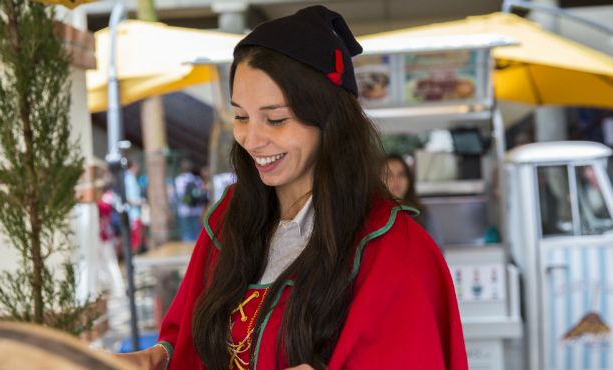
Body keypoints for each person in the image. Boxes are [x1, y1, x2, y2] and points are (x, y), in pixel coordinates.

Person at [118, 6, 466, 370]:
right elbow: (188, 334)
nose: (252, 138)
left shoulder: (393, 248)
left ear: (329, 119)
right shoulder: (230, 218)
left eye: (276, 119)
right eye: (240, 116)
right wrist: (157, 358)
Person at [383, 153, 427, 227]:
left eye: (401, 174)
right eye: (389, 175)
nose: (395, 180)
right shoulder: (372, 215)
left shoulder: (423, 214)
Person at [173, 159, 206, 241]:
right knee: (196, 232)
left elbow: (178, 195)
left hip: (184, 211)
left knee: (186, 233)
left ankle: (187, 251)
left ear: (181, 169)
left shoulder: (178, 180)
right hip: (196, 210)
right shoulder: (197, 179)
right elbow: (201, 193)